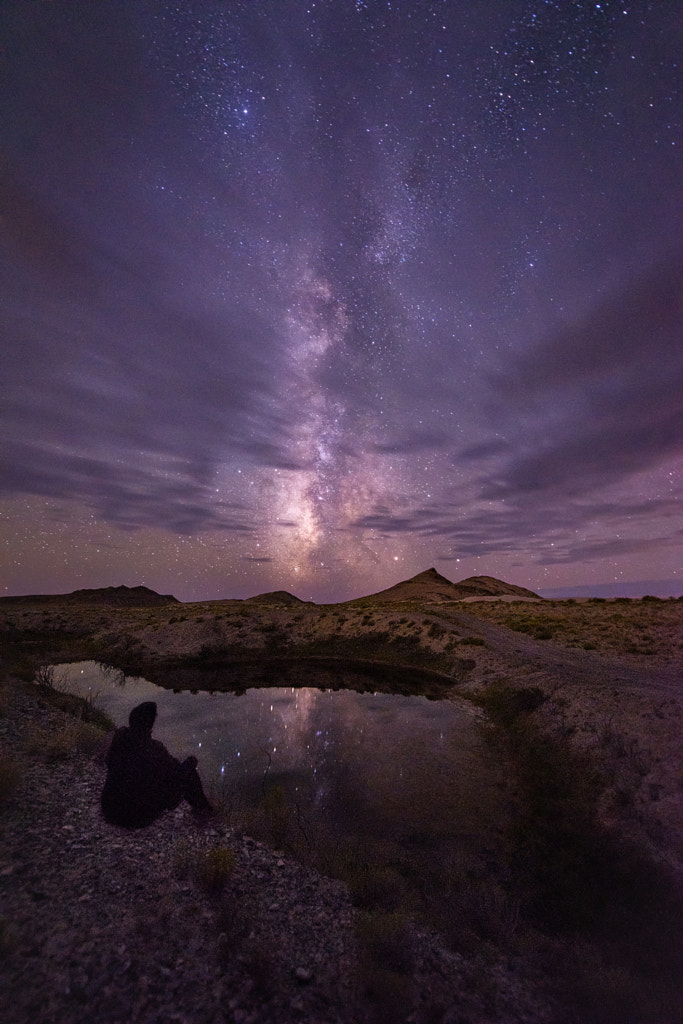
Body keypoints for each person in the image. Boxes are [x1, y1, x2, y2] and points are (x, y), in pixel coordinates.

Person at [101, 701, 215, 828]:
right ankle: (204, 810)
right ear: (149, 724)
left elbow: (109, 762)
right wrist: (191, 762)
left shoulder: (120, 737)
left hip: (109, 810)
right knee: (189, 771)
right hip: (136, 817)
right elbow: (177, 774)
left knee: (171, 768)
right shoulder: (154, 748)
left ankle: (203, 809)